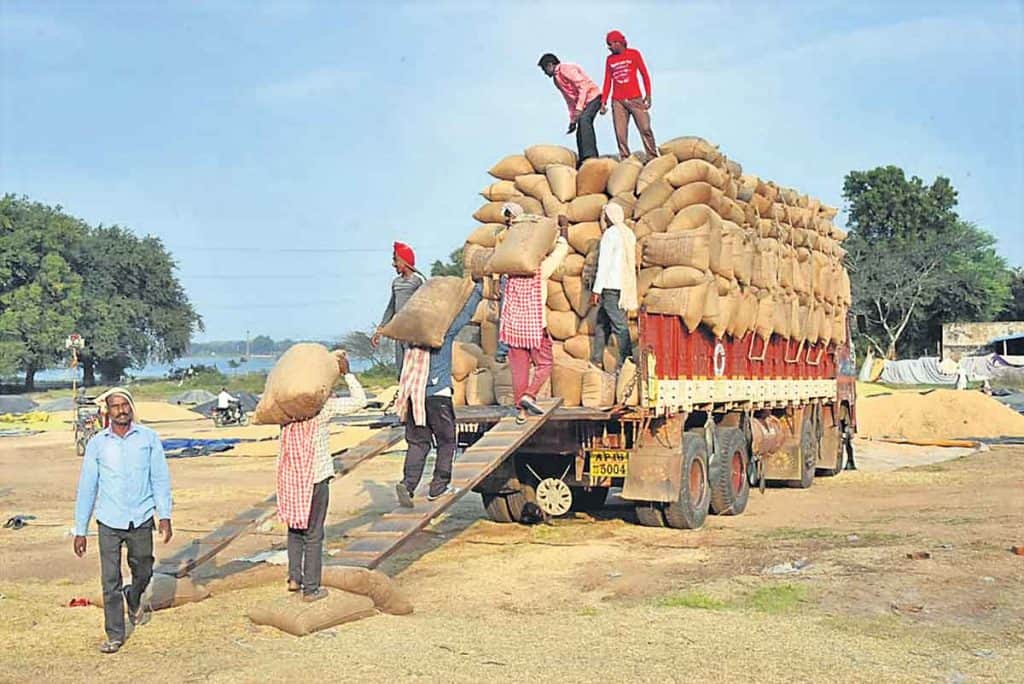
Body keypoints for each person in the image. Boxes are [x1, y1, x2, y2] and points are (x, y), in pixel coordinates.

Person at [73, 388, 172, 654]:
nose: (121, 410)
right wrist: (80, 529)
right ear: (108, 411)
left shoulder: (148, 438)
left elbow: (160, 478)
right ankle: (115, 634)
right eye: (115, 406)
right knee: (110, 580)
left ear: (131, 407)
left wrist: (164, 515)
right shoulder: (97, 444)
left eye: (125, 405)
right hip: (109, 520)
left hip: (141, 517)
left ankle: (134, 594)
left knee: (144, 568)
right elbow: (87, 487)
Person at [277, 350, 367, 602]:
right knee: (314, 534)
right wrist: (347, 374)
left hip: (290, 480)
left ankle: (294, 578)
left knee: (295, 529)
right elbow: (360, 401)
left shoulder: (284, 410)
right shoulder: (323, 409)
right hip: (315, 478)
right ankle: (311, 589)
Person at [395, 282, 484, 507]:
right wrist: (479, 290)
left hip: (414, 397)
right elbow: (465, 316)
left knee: (418, 443)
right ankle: (439, 487)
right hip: (438, 397)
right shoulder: (441, 336)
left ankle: (407, 484)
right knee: (447, 441)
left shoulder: (409, 339)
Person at [501, 216, 570, 424]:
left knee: (519, 372)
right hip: (535, 329)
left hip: (513, 330)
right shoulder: (541, 271)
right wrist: (563, 229)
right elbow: (561, 251)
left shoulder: (508, 274)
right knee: (545, 364)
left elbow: (505, 251)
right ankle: (530, 395)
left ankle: (521, 412)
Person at [590, 203, 638, 369]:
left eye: (605, 216)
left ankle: (628, 360)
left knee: (619, 325)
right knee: (602, 323)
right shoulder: (628, 233)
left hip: (610, 286)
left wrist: (596, 290)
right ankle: (596, 359)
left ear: (609, 217)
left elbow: (604, 264)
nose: (604, 219)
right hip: (623, 287)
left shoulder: (610, 234)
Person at [599, 29, 657, 161]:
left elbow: (644, 74)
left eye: (610, 44)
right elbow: (607, 81)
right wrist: (603, 101)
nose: (609, 48)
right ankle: (625, 158)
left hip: (635, 98)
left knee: (645, 128)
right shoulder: (610, 60)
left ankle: (652, 155)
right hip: (618, 101)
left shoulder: (634, 54)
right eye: (608, 45)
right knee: (620, 133)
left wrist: (648, 94)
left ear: (618, 42)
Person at [372, 242, 427, 376]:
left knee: (413, 366)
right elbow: (391, 307)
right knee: (401, 366)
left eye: (396, 260)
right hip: (399, 330)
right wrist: (380, 329)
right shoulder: (396, 282)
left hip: (413, 331)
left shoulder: (418, 281)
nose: (394, 264)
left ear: (404, 261)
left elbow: (424, 307)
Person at [537, 53, 602, 164]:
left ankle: (591, 156)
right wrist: (573, 120)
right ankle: (583, 158)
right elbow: (569, 99)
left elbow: (583, 86)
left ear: (550, 65)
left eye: (544, 69)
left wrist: (579, 109)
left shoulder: (565, 69)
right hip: (582, 103)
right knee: (580, 129)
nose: (545, 73)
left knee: (584, 120)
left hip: (593, 97)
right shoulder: (556, 80)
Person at [493, 202, 525, 364]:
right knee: (505, 315)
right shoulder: (502, 236)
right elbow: (497, 258)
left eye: (510, 216)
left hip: (523, 279)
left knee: (523, 314)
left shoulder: (526, 234)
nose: (508, 220)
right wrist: (496, 280)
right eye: (507, 217)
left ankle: (522, 348)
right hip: (507, 279)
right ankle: (503, 350)